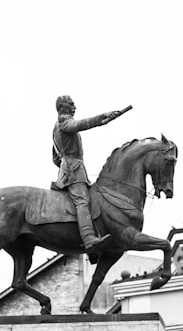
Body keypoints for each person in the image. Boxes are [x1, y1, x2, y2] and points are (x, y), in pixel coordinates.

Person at [51, 95, 127, 256]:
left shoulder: (55, 128)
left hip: (69, 168)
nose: (74, 107)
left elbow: (55, 157)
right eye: (71, 104)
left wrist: (64, 165)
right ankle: (88, 239)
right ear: (62, 108)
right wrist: (102, 117)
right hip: (74, 170)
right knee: (82, 202)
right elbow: (80, 124)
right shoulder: (64, 121)